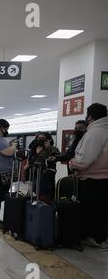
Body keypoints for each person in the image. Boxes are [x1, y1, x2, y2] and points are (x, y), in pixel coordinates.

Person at [69, 103, 108, 248]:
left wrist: (73, 162)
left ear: (90, 116)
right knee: (102, 210)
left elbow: (84, 160)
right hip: (104, 179)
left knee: (91, 210)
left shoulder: (95, 133)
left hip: (92, 179)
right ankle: (101, 237)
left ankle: (93, 237)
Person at [25, 132, 60, 204]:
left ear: (48, 140)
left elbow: (55, 158)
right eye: (39, 138)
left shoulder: (53, 149)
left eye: (43, 139)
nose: (40, 140)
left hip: (46, 181)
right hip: (33, 180)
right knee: (33, 202)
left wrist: (49, 148)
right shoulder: (33, 150)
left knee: (45, 202)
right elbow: (29, 163)